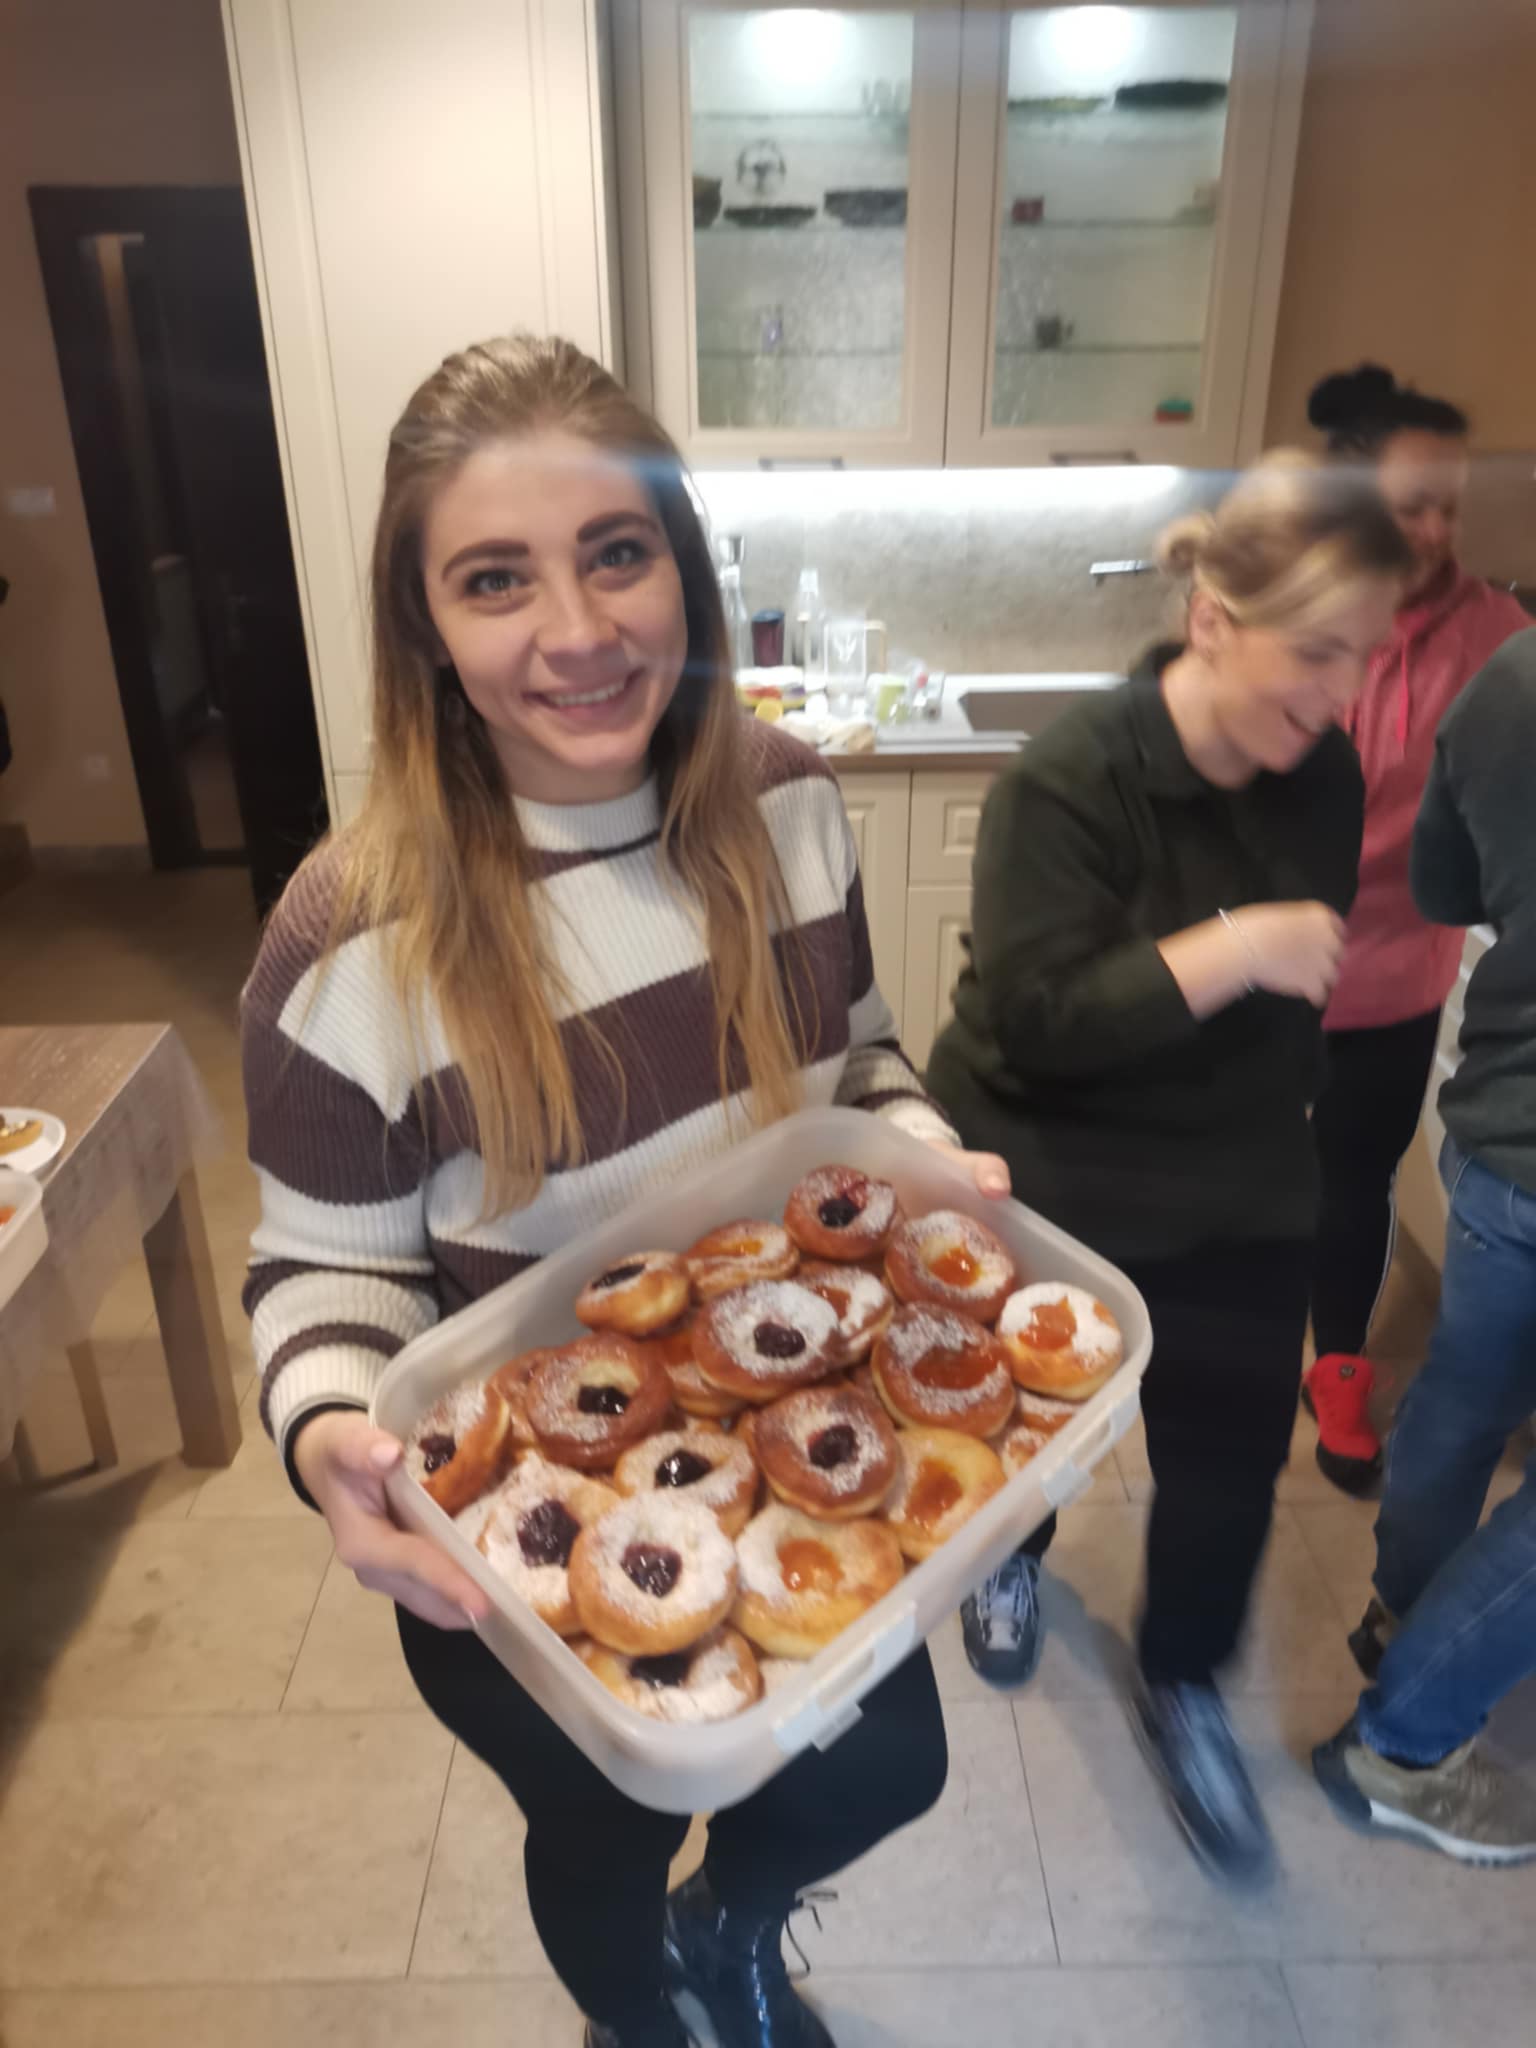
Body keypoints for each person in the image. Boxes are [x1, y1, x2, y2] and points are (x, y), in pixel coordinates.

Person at [240, 333, 1010, 2048]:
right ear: (423, 625)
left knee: (887, 1764)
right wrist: (331, 1434)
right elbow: (318, 1275)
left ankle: (730, 1929)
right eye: (495, 578)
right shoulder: (343, 942)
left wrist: (925, 1150)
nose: (578, 631)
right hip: (515, 1555)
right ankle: (640, 2017)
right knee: (603, 1831)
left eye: (615, 553)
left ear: (684, 569)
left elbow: (859, 1064)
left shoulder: (788, 808)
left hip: (793, 1447)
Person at [925, 455, 1412, 1879]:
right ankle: (1010, 1559)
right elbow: (1037, 1020)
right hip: (1050, 1161)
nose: (1340, 692)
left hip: (1237, 1170)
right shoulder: (1066, 782)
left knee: (1229, 1464)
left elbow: (1290, 1006)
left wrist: (1255, 1032)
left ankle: (1183, 1677)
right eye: (1315, 651)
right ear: (1211, 619)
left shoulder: (1322, 770)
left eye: (1361, 655)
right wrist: (1234, 948)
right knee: (1029, 1426)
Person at [1315, 628, 1536, 1863]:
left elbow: (1448, 888)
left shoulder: (1511, 673)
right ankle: (1405, 1739)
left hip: (1504, 1124)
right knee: (1465, 1398)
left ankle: (1404, 1613)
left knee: (1465, 1394)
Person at [1301, 365, 1529, 1494]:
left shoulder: (1498, 639)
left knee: (1355, 1180)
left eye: (1450, 506)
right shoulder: (1297, 604)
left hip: (1394, 975)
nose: (1437, 530)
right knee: (1248, 1171)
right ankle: (1227, 1347)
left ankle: (1339, 1370)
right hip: (1262, 963)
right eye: (1412, 505)